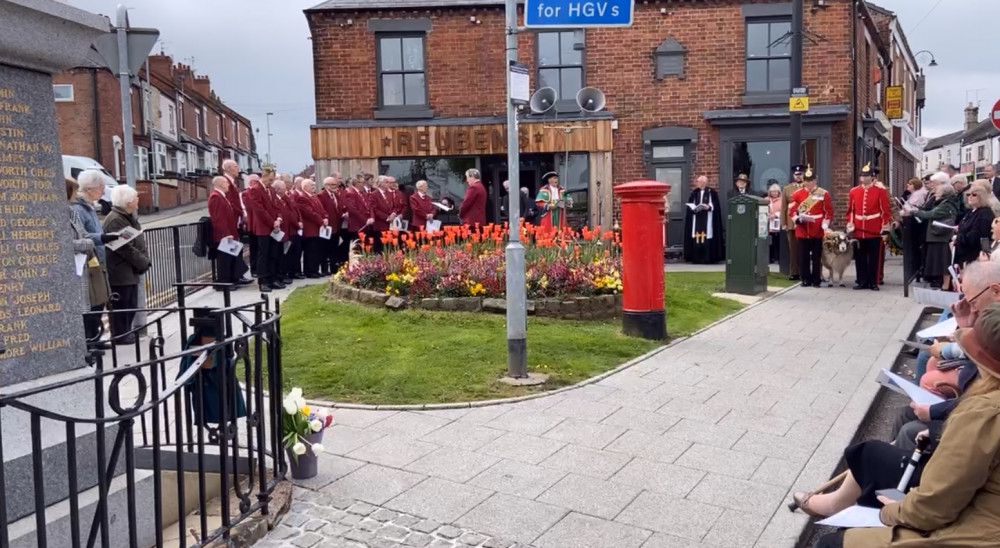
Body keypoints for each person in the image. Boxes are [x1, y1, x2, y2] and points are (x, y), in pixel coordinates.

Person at [814, 303, 1000, 548]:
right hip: (983, 515)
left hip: (980, 532)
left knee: (830, 543)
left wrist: (889, 514)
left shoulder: (984, 413)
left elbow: (935, 507)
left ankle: (839, 506)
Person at [71, 170, 117, 347]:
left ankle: (95, 338)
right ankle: (90, 341)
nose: (103, 191)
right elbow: (81, 235)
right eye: (101, 187)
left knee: (98, 302)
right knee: (91, 304)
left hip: (97, 260)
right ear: (90, 189)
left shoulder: (89, 206)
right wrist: (102, 238)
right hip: (87, 264)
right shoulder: (78, 209)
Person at [103, 185, 150, 344]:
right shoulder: (116, 220)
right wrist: (143, 261)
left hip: (129, 270)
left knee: (130, 302)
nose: (138, 199)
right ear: (129, 201)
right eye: (136, 197)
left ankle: (125, 333)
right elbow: (124, 247)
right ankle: (120, 335)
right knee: (122, 304)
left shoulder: (126, 216)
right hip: (121, 271)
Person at [903, 175, 959, 290]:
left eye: (938, 193)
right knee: (939, 261)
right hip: (937, 235)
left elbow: (930, 214)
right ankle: (943, 284)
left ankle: (945, 285)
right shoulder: (944, 203)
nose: (936, 195)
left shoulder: (946, 205)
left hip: (940, 236)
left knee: (943, 262)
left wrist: (913, 211)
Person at [846, 163, 891, 291]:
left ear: (872, 177)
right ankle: (861, 281)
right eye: (862, 175)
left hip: (874, 228)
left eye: (866, 176)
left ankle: (873, 281)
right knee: (859, 256)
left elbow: (885, 211)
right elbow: (851, 210)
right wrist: (851, 222)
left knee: (874, 258)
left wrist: (885, 228)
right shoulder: (854, 191)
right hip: (859, 228)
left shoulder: (880, 191)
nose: (864, 178)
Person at [788, 167, 834, 287]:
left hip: (817, 228)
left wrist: (825, 224)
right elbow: (792, 210)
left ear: (815, 181)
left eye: (810, 180)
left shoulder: (823, 193)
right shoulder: (797, 194)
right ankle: (805, 279)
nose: (808, 183)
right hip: (803, 228)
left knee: (816, 256)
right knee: (803, 256)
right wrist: (796, 219)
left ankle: (816, 279)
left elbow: (828, 211)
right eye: (806, 180)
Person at [242, 168, 283, 292]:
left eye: (273, 179)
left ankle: (272, 278)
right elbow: (259, 210)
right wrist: (272, 222)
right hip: (263, 227)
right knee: (263, 254)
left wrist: (279, 218)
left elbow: (276, 205)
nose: (271, 182)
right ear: (264, 176)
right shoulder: (255, 190)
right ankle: (263, 280)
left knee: (273, 253)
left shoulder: (270, 189)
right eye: (270, 179)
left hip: (274, 225)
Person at [208, 175, 250, 289]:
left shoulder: (222, 196)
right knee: (224, 260)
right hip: (224, 236)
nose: (228, 185)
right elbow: (219, 219)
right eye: (226, 183)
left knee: (231, 258)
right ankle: (223, 283)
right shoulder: (216, 197)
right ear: (221, 184)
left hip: (230, 233)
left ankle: (231, 280)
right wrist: (226, 234)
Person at [682, 175, 724, 264]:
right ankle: (696, 258)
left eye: (699, 181)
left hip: (707, 218)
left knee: (707, 235)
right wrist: (693, 208)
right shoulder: (694, 193)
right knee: (696, 235)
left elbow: (715, 205)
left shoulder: (711, 192)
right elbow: (690, 204)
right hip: (696, 218)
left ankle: (707, 258)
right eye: (697, 181)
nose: (697, 183)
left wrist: (708, 207)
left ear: (704, 182)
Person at [953, 185, 995, 268]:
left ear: (981, 197)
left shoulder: (985, 214)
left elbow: (977, 236)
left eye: (974, 195)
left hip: (974, 254)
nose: (970, 197)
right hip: (964, 252)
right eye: (968, 194)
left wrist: (957, 238)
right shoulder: (972, 211)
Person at [296, 179, 329, 277]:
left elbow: (322, 210)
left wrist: (326, 217)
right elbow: (309, 213)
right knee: (310, 251)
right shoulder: (302, 198)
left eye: (314, 185)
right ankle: (310, 271)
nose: (314, 187)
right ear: (305, 187)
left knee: (315, 250)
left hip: (318, 228)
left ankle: (314, 269)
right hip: (310, 229)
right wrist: (321, 220)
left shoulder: (314, 197)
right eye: (311, 185)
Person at [782, 165, 805, 281]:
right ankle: (794, 272)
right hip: (791, 223)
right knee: (793, 249)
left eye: (800, 174)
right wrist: (784, 223)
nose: (798, 176)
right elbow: (784, 207)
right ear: (793, 176)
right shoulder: (787, 189)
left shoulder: (808, 187)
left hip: (804, 221)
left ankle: (804, 271)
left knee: (804, 248)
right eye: (796, 174)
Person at [342, 174, 374, 253]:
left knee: (367, 248)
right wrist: (365, 220)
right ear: (356, 183)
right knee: (358, 249)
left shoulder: (363, 193)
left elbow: (370, 206)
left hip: (366, 225)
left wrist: (372, 217)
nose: (364, 185)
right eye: (362, 183)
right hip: (357, 225)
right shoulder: (350, 193)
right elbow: (353, 209)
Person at [318, 175, 343, 274]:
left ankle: (334, 268)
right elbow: (321, 210)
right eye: (333, 184)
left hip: (336, 227)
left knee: (334, 248)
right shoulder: (321, 196)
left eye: (336, 184)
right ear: (327, 185)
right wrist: (325, 217)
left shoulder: (336, 195)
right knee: (324, 249)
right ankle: (324, 269)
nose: (336, 186)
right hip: (327, 227)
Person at [767, 184, 783, 263]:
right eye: (772, 192)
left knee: (779, 242)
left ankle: (780, 258)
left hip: (779, 223)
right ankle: (770, 258)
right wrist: (768, 215)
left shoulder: (782, 200)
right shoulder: (766, 199)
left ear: (778, 192)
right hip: (769, 224)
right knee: (770, 242)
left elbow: (784, 210)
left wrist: (776, 214)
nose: (774, 193)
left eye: (775, 192)